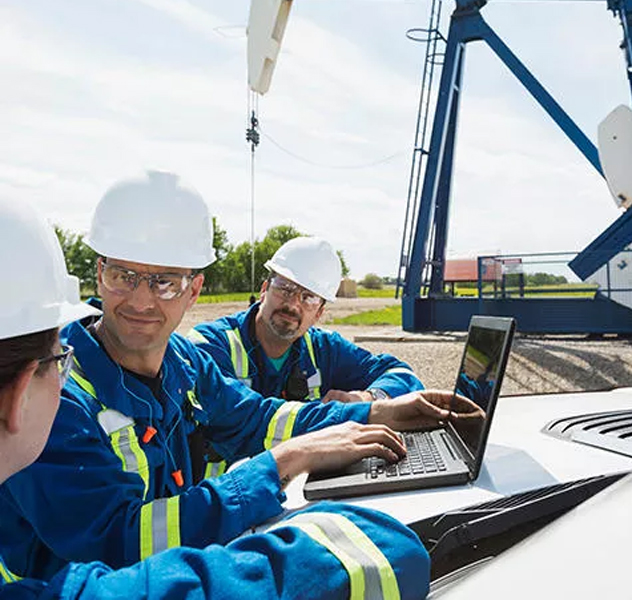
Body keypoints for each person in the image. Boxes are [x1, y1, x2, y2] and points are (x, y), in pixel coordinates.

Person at [0, 171, 453, 582]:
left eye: (165, 282)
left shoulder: (182, 362)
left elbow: (258, 419)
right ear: (99, 275)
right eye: (124, 275)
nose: (140, 301)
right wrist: (278, 466)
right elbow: (116, 543)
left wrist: (374, 410)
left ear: (194, 290)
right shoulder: (55, 395)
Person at [189, 237, 424, 403]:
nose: (293, 304)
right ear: (264, 289)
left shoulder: (325, 350)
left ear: (319, 313)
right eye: (285, 288)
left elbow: (404, 376)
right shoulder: (210, 344)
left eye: (308, 297)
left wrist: (368, 397)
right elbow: (247, 418)